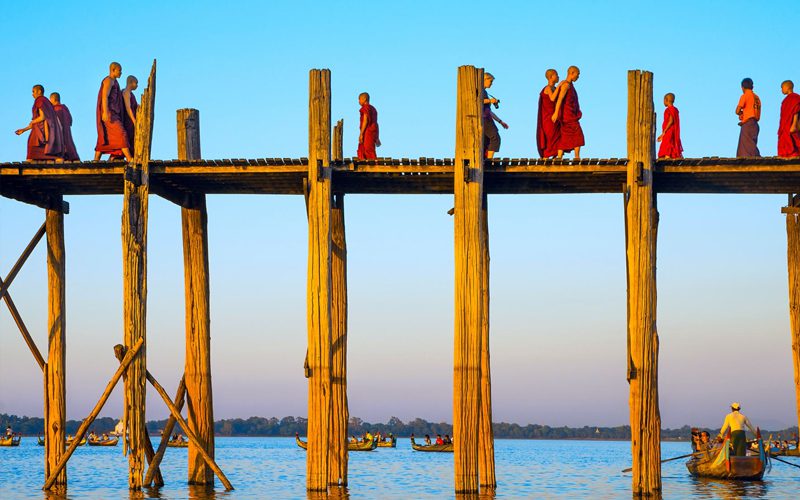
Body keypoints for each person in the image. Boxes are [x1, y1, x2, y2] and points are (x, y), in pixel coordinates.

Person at [15, 85, 64, 162]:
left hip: (41, 130)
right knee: (39, 146)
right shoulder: (47, 102)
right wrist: (23, 130)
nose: (32, 94)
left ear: (39, 91)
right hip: (47, 130)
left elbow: (42, 117)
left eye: (33, 91)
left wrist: (33, 121)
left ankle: (30, 162)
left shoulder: (40, 100)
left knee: (32, 144)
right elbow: (38, 120)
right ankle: (54, 158)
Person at [95, 62, 132, 161]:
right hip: (109, 113)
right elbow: (104, 96)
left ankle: (96, 160)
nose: (121, 73)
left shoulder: (115, 82)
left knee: (106, 136)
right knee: (121, 133)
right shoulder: (109, 80)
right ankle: (129, 158)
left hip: (114, 113)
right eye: (119, 70)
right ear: (113, 70)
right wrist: (105, 111)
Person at [553, 66, 584, 159]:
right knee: (577, 134)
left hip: (571, 114)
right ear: (572, 73)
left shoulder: (570, 86)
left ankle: (560, 156)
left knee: (566, 135)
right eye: (577, 75)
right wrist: (555, 113)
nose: (578, 77)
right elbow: (560, 99)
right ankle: (576, 156)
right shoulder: (566, 85)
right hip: (567, 116)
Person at [537, 69, 564, 158]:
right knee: (550, 136)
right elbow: (552, 98)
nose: (558, 77)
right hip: (548, 118)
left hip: (556, 116)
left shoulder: (555, 88)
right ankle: (546, 157)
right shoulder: (547, 88)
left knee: (558, 136)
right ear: (551, 76)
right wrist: (560, 86)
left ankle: (557, 156)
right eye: (556, 75)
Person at [483, 72, 509, 159]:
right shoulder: (480, 91)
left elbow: (489, 111)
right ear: (484, 80)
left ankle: (486, 158)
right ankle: (489, 160)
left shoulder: (485, 92)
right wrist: (491, 101)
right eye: (490, 81)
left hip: (487, 117)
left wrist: (500, 121)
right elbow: (477, 101)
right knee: (495, 138)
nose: (491, 84)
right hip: (484, 119)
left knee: (487, 140)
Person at [49, 92, 80, 161]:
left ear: (53, 99)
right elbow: (71, 121)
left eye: (50, 99)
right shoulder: (65, 109)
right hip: (67, 132)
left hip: (59, 133)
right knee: (68, 144)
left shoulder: (56, 109)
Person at [735, 78, 761, 157]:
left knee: (746, 148)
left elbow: (737, 110)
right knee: (751, 144)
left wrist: (741, 113)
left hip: (748, 123)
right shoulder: (757, 97)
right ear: (752, 87)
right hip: (755, 124)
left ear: (742, 87)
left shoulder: (745, 96)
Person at [657, 93, 683, 159]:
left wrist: (664, 132)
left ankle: (667, 156)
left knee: (667, 143)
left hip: (669, 131)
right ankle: (677, 156)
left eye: (663, 100)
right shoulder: (675, 109)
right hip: (673, 131)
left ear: (666, 100)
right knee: (672, 143)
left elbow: (671, 121)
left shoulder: (668, 110)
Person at [778, 80, 800, 158]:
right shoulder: (785, 101)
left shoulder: (795, 98)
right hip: (785, 127)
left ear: (787, 87)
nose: (781, 90)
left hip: (792, 126)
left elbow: (796, 111)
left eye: (782, 87)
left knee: (794, 144)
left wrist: (794, 125)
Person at [357, 92, 380, 159]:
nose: (358, 101)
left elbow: (365, 120)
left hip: (367, 132)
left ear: (364, 99)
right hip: (373, 132)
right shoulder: (374, 109)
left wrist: (361, 134)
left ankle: (372, 164)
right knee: (369, 149)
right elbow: (376, 124)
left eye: (359, 99)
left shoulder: (366, 108)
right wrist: (377, 136)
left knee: (367, 150)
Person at [122, 75, 139, 153]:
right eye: (136, 83)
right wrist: (134, 121)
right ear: (131, 82)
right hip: (128, 120)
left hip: (131, 121)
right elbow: (128, 108)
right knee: (128, 140)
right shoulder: (126, 92)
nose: (137, 86)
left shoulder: (131, 94)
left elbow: (135, 105)